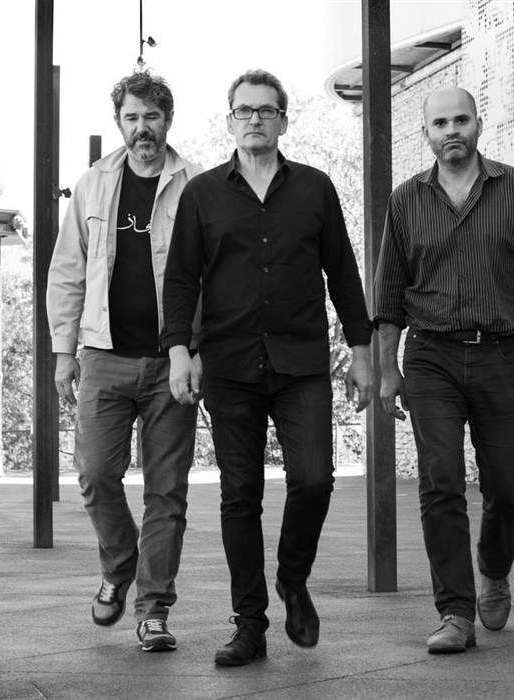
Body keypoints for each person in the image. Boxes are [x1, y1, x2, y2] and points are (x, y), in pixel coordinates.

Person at [161, 69, 374, 666]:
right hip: (229, 365)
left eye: (266, 110)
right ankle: (250, 624)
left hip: (301, 362)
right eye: (244, 110)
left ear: (283, 120)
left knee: (314, 479)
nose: (254, 119)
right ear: (230, 120)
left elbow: (343, 272)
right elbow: (181, 280)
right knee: (240, 495)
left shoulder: (315, 188)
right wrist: (178, 351)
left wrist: (362, 352)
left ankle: (292, 578)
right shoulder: (203, 194)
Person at [374, 86, 514, 654]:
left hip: (501, 353)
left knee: (508, 485)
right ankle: (455, 613)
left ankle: (494, 566)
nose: (451, 131)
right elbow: (389, 291)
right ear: (427, 133)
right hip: (431, 357)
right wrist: (387, 367)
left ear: (478, 125)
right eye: (440, 123)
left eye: (460, 120)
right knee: (440, 481)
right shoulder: (405, 200)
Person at [46, 71, 202, 653]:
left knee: (167, 492)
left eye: (152, 117)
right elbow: (67, 270)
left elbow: (214, 274)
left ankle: (153, 610)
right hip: (104, 356)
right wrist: (64, 353)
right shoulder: (93, 184)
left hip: (172, 363)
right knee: (93, 474)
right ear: (119, 123)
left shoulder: (197, 185)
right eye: (132, 117)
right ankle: (119, 566)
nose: (143, 128)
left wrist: (200, 351)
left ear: (168, 121)